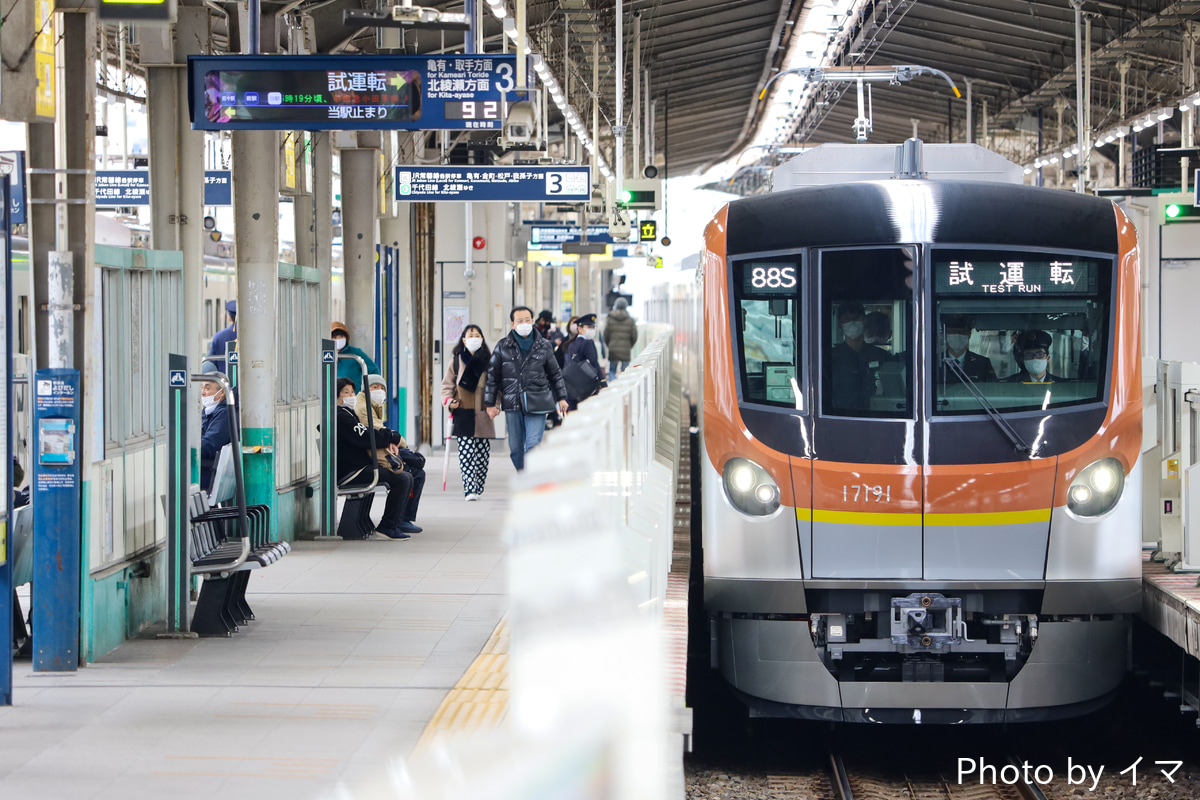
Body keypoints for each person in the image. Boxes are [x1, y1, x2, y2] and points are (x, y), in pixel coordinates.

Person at [484, 306, 568, 471]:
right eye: (520, 321)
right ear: (512, 324)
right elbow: (492, 377)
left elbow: (555, 374)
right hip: (513, 402)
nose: (524, 323)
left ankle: (530, 482)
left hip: (537, 401)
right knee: (515, 449)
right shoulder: (503, 346)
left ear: (532, 321)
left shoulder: (543, 345)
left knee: (532, 445)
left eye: (527, 320)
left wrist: (562, 398)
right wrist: (490, 403)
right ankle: (524, 476)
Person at [336, 377, 417, 538]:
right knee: (402, 479)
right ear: (336, 396)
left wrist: (390, 437)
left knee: (406, 476)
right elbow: (365, 436)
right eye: (346, 392)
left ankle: (391, 524)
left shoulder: (346, 413)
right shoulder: (340, 416)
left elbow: (367, 434)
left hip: (357, 466)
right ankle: (388, 526)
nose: (351, 395)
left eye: (352, 391)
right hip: (352, 470)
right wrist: (391, 437)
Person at [356, 374, 425, 529]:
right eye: (375, 387)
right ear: (365, 389)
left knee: (414, 471)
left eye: (382, 388)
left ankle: (402, 518)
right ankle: (399, 520)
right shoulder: (363, 408)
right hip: (369, 459)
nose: (379, 391)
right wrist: (399, 442)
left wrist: (393, 441)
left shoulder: (370, 405)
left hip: (374, 453)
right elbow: (379, 431)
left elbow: (381, 433)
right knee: (411, 473)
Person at [441, 325, 496, 500]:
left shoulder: (490, 361)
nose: (473, 338)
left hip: (483, 413)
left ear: (482, 339)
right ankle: (469, 489)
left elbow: (496, 387)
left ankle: (478, 487)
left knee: (482, 457)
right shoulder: (456, 361)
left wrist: (496, 405)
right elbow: (446, 386)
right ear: (463, 340)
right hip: (462, 411)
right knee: (466, 453)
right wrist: (449, 402)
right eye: (470, 335)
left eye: (477, 335)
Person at [828, 301, 891, 411]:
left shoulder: (882, 356)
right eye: (847, 318)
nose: (852, 322)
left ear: (864, 321)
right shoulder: (830, 357)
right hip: (840, 418)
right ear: (839, 323)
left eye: (856, 318)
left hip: (876, 416)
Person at [199, 367, 232, 494]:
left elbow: (210, 444)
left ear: (222, 392)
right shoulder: (209, 412)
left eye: (207, 388)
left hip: (207, 474)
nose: (203, 393)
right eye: (201, 388)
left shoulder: (224, 415)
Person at [564, 313, 607, 410]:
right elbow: (594, 363)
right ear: (580, 328)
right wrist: (603, 381)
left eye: (593, 327)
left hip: (571, 388)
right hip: (586, 388)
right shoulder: (588, 343)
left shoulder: (571, 344)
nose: (591, 330)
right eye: (589, 327)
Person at [940, 314, 996, 382]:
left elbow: (992, 389)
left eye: (962, 332)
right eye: (953, 331)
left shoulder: (983, 363)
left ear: (969, 334)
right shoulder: (935, 361)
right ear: (945, 334)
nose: (958, 335)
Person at [332, 321, 380, 388]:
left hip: (354, 395)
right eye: (335, 337)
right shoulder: (326, 355)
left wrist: (371, 389)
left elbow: (374, 370)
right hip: (333, 396)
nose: (338, 340)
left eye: (341, 336)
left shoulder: (355, 354)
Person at [603, 297, 638, 380]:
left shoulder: (610, 319)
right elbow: (634, 336)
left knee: (612, 370)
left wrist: (609, 345)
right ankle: (624, 388)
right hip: (626, 349)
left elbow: (605, 335)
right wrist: (629, 346)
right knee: (625, 372)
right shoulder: (630, 320)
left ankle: (612, 388)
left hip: (613, 349)